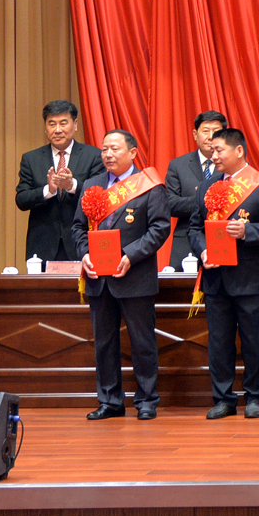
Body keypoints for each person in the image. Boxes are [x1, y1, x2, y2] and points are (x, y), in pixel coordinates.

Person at [72, 130, 171, 419]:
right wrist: (85, 254)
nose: (108, 154)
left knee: (142, 343)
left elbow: (160, 229)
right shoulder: (92, 184)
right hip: (98, 279)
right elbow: (78, 227)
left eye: (114, 149)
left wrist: (130, 255)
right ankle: (110, 401)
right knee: (104, 344)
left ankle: (147, 400)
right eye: (104, 149)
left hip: (135, 277)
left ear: (133, 152)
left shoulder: (149, 185)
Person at [194, 128, 259, 419]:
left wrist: (248, 231)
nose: (214, 155)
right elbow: (195, 228)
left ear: (238, 151)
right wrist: (203, 252)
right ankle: (223, 398)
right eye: (212, 150)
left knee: (255, 341)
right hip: (215, 278)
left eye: (219, 150)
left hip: (249, 280)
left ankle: (256, 396)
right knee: (219, 343)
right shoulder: (207, 186)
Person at [14, 99, 105, 264]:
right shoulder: (31, 159)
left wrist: (72, 186)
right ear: (45, 128)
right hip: (42, 247)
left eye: (63, 123)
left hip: (81, 244)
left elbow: (100, 198)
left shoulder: (93, 156)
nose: (57, 130)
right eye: (52, 124)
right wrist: (48, 190)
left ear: (75, 125)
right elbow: (21, 199)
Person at [165, 110, 228, 268]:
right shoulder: (178, 165)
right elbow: (170, 204)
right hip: (185, 243)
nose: (210, 136)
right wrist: (205, 198)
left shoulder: (231, 165)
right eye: (205, 131)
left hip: (224, 239)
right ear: (195, 134)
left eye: (216, 131)